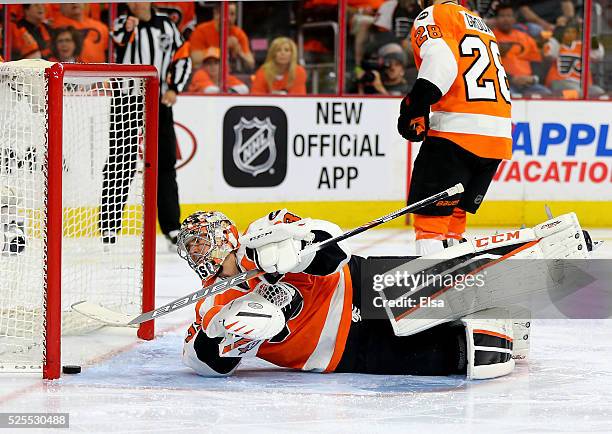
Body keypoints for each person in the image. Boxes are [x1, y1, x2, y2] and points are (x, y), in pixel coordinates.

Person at [176, 209, 590, 378]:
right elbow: (200, 359)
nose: (198, 252)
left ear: (225, 235)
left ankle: (546, 249)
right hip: (346, 352)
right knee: (482, 354)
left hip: (360, 286)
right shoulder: (209, 304)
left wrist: (297, 251)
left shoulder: (263, 235)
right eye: (190, 248)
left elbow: (333, 244)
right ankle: (509, 322)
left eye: (202, 240)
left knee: (458, 278)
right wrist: (221, 338)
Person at [397, 0, 512, 256]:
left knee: (430, 222)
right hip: (497, 136)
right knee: (454, 215)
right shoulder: (481, 25)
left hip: (457, 132)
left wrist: (415, 106)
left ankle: (433, 290)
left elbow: (441, 61)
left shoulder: (435, 13)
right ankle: (455, 284)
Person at [105, 2, 192, 246]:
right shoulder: (123, 23)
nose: (135, 3)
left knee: (165, 163)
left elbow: (183, 56)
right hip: (127, 100)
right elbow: (118, 42)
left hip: (159, 102)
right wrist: (129, 29)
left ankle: (172, 226)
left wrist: (175, 88)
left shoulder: (166, 24)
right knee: (120, 160)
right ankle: (109, 226)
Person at [493, 4, 551, 97]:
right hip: (502, 83)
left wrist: (533, 79)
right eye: (502, 16)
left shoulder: (525, 38)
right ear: (496, 19)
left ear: (514, 19)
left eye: (509, 16)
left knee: (547, 94)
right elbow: (490, 67)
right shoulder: (490, 37)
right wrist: (511, 78)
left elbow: (537, 62)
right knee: (505, 95)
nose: (506, 19)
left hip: (528, 83)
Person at [544, 21, 605, 98]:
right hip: (559, 82)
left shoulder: (582, 45)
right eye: (567, 32)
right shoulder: (557, 45)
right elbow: (549, 54)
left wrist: (590, 35)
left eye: (573, 32)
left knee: (599, 92)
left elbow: (598, 55)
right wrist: (556, 37)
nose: (570, 34)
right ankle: (563, 99)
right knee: (576, 91)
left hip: (582, 85)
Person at [189, 2, 255, 71]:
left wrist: (239, 52)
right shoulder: (201, 31)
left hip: (230, 75)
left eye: (232, 14)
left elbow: (251, 64)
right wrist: (222, 46)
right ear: (216, 14)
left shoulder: (238, 33)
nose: (229, 18)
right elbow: (195, 59)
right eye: (225, 13)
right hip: (205, 75)